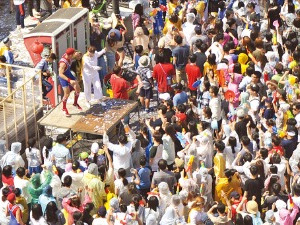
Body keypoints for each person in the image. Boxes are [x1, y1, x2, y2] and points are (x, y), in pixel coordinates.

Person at [58, 48, 82, 117]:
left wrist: (78, 55)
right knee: (67, 93)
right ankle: (64, 108)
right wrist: (69, 80)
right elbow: (60, 74)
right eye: (73, 55)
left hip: (68, 73)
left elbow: (76, 54)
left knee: (78, 88)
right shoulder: (63, 63)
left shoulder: (70, 55)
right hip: (63, 77)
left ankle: (75, 103)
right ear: (71, 55)